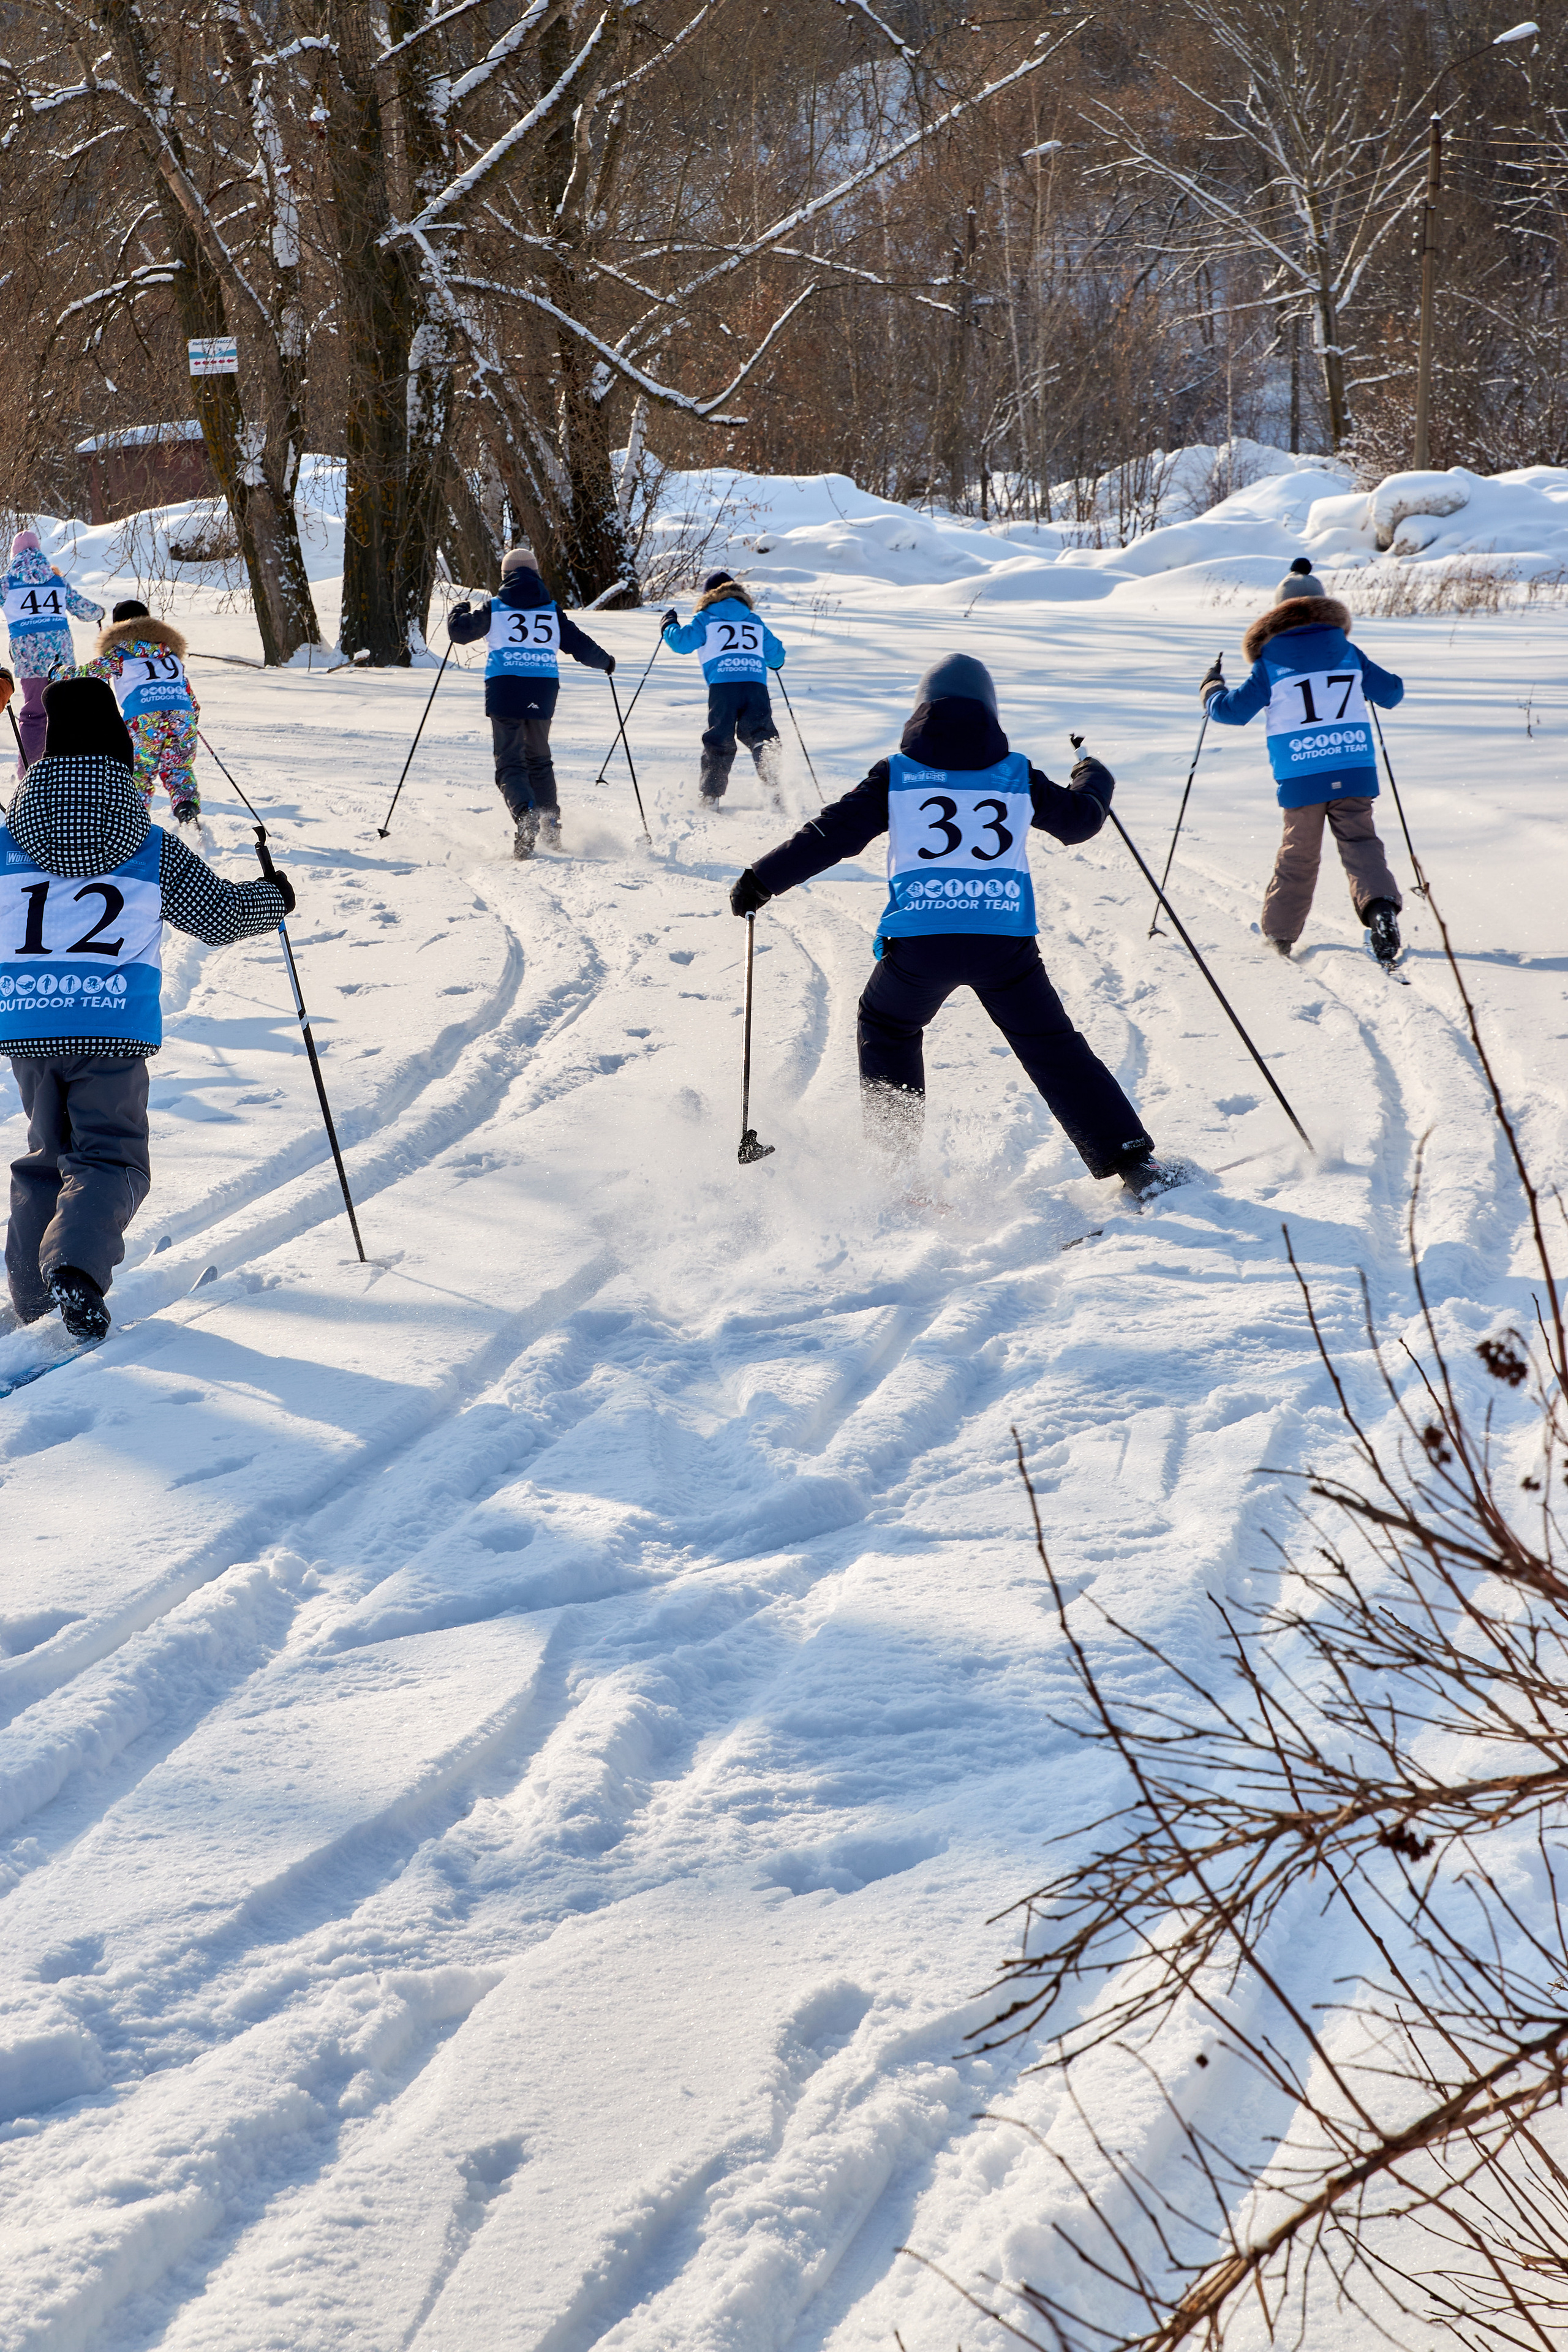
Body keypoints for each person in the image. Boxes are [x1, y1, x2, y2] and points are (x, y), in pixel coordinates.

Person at [728, 653, 1171, 1195]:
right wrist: (1093, 775)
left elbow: (833, 833)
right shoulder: (1015, 774)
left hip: (921, 945)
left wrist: (762, 879)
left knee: (887, 1027)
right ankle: (1134, 1164)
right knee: (1053, 1045)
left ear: (920, 712)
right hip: (1004, 947)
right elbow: (1080, 823)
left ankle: (894, 1173)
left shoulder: (897, 774)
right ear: (991, 711)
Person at [0, 678, 293, 1341]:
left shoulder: (5, 841)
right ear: (120, 751)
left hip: (27, 1022)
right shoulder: (147, 844)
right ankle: (73, 1269)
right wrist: (271, 899)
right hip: (109, 1023)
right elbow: (218, 917)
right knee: (109, 1157)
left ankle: (33, 1303)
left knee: (46, 1157)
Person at [1201, 556, 1406, 967]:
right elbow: (1393, 693)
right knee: (1362, 843)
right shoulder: (1347, 651)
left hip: (1301, 773)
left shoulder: (1270, 662)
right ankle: (1381, 910)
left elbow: (1232, 713)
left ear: (1278, 613)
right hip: (1353, 766)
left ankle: (1278, 937)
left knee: (1299, 854)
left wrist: (1211, 689)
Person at [447, 542, 614, 857]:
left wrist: (458, 611)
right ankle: (550, 825)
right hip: (542, 689)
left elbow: (460, 633)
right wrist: (607, 662)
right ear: (536, 575)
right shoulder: (551, 610)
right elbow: (581, 645)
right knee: (539, 759)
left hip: (505, 689)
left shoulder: (494, 607)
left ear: (505, 576)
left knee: (510, 761)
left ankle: (525, 815)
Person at [661, 569, 786, 806]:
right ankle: (776, 790)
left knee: (720, 738)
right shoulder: (753, 620)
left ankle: (711, 795)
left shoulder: (706, 618)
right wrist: (772, 661)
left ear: (709, 594)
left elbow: (681, 644)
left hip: (723, 686)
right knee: (762, 734)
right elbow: (777, 657)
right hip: (755, 687)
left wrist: (668, 625)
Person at [79, 600, 202, 823]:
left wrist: (56, 672)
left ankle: (134, 822)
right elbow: (188, 694)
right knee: (178, 766)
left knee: (139, 773)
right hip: (181, 716)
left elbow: (87, 673)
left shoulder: (119, 654)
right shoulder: (170, 654)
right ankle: (186, 808)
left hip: (143, 719)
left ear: (117, 626)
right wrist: (190, 718)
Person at [2, 530, 105, 777]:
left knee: (34, 714)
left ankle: (30, 773)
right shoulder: (56, 580)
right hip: (62, 658)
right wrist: (100, 613)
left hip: (30, 658)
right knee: (65, 711)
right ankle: (67, 770)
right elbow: (85, 610)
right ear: (39, 553)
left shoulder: (7, 582)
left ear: (14, 555)